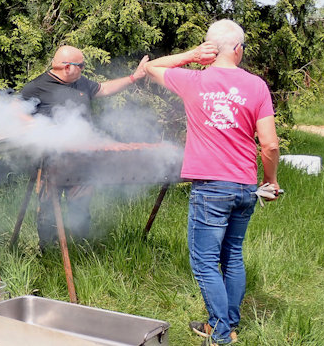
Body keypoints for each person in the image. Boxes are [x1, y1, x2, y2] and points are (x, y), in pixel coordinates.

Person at [142, 19, 280, 346]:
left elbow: (151, 67)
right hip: (246, 187)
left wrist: (192, 54)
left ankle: (220, 334)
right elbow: (270, 144)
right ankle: (227, 324)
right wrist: (270, 181)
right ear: (238, 49)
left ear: (212, 49)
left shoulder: (193, 79)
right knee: (231, 255)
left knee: (204, 261)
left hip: (210, 188)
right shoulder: (257, 86)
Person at [20, 45, 147, 248]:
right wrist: (41, 126)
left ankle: (79, 248)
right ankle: (48, 252)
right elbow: (15, 111)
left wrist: (134, 77)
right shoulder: (36, 86)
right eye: (82, 65)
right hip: (49, 159)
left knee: (80, 206)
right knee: (47, 208)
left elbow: (104, 88)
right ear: (68, 67)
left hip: (82, 158)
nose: (84, 69)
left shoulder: (81, 82)